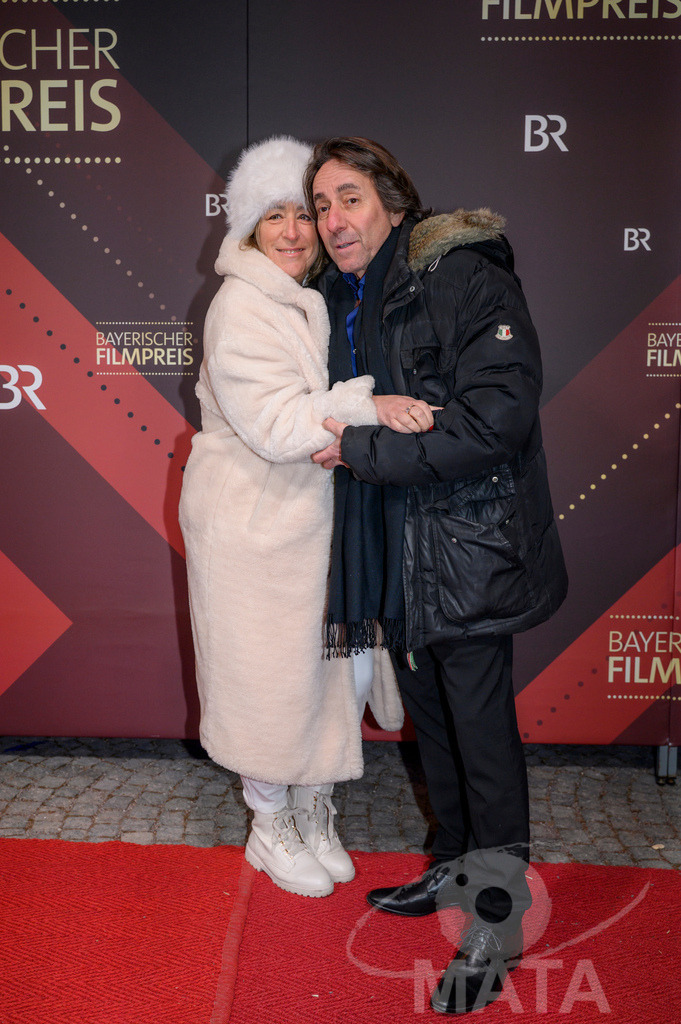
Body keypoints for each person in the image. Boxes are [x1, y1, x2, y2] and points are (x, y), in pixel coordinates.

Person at [305, 137, 568, 1012]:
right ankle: (455, 868)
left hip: (467, 543)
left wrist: (364, 449)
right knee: (432, 719)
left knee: (481, 732)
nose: (331, 220)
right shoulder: (352, 298)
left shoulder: (460, 274)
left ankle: (497, 911)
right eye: (319, 206)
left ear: (393, 201)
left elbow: (496, 416)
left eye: (347, 197)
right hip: (400, 543)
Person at [179, 136, 412, 900]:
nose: (291, 231)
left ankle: (314, 808)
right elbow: (279, 428)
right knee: (265, 679)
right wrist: (362, 406)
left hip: (315, 520)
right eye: (272, 216)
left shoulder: (312, 298)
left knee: (326, 674)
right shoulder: (240, 305)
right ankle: (267, 823)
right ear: (246, 228)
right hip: (254, 524)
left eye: (301, 215)